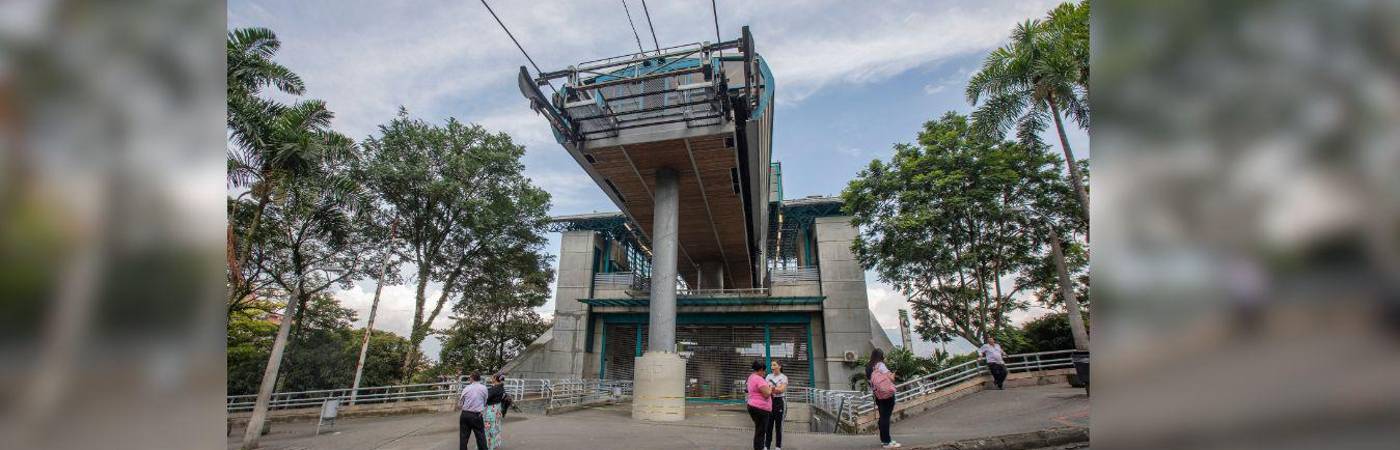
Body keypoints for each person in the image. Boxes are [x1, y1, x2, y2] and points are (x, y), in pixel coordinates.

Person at [867, 348, 901, 448]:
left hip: (877, 395)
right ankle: (887, 442)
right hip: (887, 395)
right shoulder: (880, 365)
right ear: (881, 356)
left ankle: (884, 440)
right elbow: (891, 378)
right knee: (885, 417)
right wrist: (894, 374)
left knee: (882, 417)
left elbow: (870, 382)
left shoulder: (868, 367)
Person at [745, 359, 773, 450]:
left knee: (759, 430)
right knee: (761, 432)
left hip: (752, 406)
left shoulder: (751, 377)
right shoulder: (759, 379)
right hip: (761, 408)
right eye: (764, 370)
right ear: (760, 369)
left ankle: (758, 447)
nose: (765, 373)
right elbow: (766, 394)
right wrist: (770, 388)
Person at [458, 372, 489, 450]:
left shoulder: (466, 388)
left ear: (471, 378)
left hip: (465, 414)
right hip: (477, 415)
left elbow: (460, 403)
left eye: (470, 378)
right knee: (480, 436)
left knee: (463, 437)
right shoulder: (484, 388)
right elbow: (485, 402)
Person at [764, 361, 788, 450]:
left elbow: (782, 390)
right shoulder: (768, 376)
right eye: (771, 365)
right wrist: (773, 389)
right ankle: (766, 446)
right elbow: (765, 388)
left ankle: (778, 446)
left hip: (779, 402)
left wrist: (772, 389)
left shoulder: (783, 377)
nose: (772, 367)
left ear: (779, 366)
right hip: (769, 401)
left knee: (778, 426)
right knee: (768, 425)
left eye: (774, 365)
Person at [484, 373, 509, 449]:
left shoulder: (494, 389)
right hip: (497, 410)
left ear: (495, 379)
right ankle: (495, 444)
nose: (491, 378)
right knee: (496, 427)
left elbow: (486, 398)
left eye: (492, 377)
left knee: (489, 428)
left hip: (491, 410)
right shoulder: (502, 388)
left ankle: (488, 446)